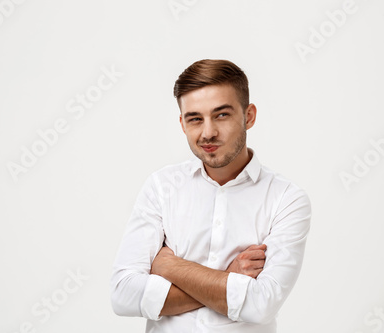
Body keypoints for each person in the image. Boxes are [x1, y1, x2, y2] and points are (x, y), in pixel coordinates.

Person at [110, 59, 311, 332]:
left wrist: (170, 267)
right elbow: (123, 295)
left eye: (222, 115)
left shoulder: (286, 199)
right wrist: (228, 279)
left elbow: (261, 305)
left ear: (249, 116)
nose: (208, 133)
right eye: (195, 119)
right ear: (182, 124)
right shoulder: (162, 187)